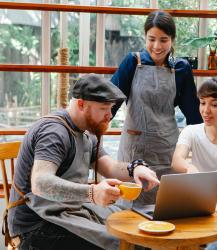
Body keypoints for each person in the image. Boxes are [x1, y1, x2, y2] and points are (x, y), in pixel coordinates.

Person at [6, 74, 160, 250]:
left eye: (111, 108)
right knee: (126, 244)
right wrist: (92, 192)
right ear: (81, 104)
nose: (110, 115)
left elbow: (111, 167)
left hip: (67, 213)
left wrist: (136, 168)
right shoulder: (54, 133)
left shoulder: (86, 132)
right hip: (36, 226)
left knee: (137, 229)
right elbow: (40, 183)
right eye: (104, 108)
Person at [110, 10, 202, 205]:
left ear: (172, 40)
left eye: (164, 40)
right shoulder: (132, 62)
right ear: (145, 37)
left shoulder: (181, 68)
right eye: (151, 39)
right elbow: (111, 103)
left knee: (166, 208)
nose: (157, 46)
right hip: (134, 151)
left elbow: (194, 116)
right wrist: (90, 134)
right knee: (130, 211)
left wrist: (205, 147)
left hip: (167, 149)